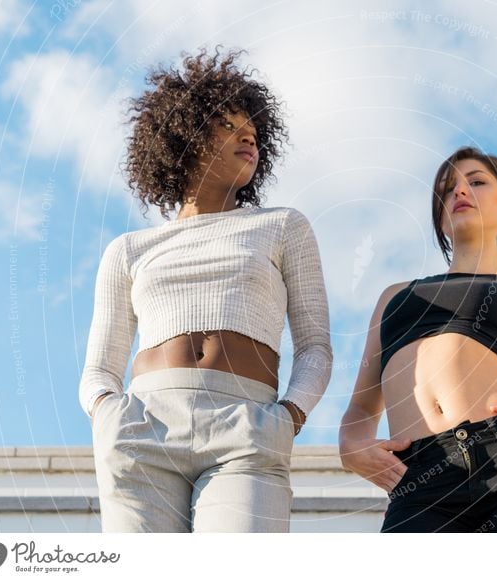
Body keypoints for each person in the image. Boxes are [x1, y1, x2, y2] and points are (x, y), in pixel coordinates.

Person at [80, 47, 332, 532]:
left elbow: (316, 346)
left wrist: (289, 415)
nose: (249, 139)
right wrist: (107, 413)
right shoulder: (128, 249)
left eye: (254, 132)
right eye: (230, 126)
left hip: (248, 424)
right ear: (185, 136)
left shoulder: (282, 227)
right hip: (141, 428)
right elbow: (99, 367)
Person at [339, 146, 497, 533]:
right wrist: (350, 445)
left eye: (475, 182)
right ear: (439, 219)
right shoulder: (396, 296)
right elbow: (360, 411)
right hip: (422, 479)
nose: (459, 191)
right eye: (447, 189)